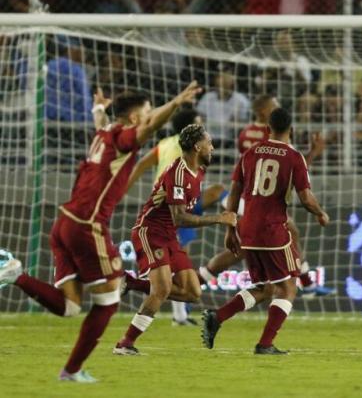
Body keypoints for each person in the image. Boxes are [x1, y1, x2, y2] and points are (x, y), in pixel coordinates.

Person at [0, 82, 201, 382]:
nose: (149, 118)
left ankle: (15, 273)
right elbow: (148, 126)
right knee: (107, 302)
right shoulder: (124, 138)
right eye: (145, 113)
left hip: (64, 223)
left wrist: (98, 109)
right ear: (134, 119)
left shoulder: (105, 133)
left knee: (69, 306)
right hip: (86, 227)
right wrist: (175, 103)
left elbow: (105, 124)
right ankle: (72, 370)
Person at [201, 107, 329, 354]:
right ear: (291, 129)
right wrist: (321, 213)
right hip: (272, 231)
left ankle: (217, 317)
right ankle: (265, 344)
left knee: (264, 288)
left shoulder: (249, 154)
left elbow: (235, 192)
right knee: (288, 288)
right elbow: (305, 197)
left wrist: (230, 229)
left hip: (247, 227)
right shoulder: (293, 156)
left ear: (267, 128)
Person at [113, 124, 237, 355]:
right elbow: (179, 217)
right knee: (161, 290)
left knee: (192, 292)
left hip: (169, 235)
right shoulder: (177, 173)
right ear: (198, 146)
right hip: (150, 232)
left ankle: (132, 283)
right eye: (209, 143)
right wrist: (219, 218)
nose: (213, 147)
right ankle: (125, 344)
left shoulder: (199, 170)